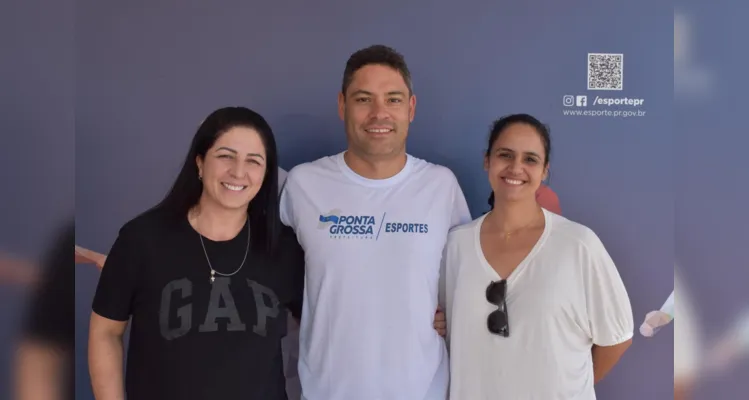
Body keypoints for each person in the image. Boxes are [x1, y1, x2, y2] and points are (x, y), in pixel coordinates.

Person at [279, 45, 471, 400]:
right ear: (342, 105)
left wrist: (449, 313)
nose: (379, 113)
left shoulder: (441, 186)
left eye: (393, 100)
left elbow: (464, 280)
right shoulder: (303, 184)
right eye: (364, 99)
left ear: (411, 108)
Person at [88, 106, 306, 400]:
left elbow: (326, 329)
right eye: (226, 156)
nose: (238, 172)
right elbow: (106, 332)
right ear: (200, 163)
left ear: (266, 174)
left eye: (253, 161)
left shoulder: (285, 248)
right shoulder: (141, 239)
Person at [441, 113, 634, 399]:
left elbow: (616, 339)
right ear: (487, 161)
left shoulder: (578, 245)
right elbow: (445, 324)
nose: (516, 167)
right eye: (505, 155)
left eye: (530, 159)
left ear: (544, 170)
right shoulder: (457, 244)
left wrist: (569, 387)